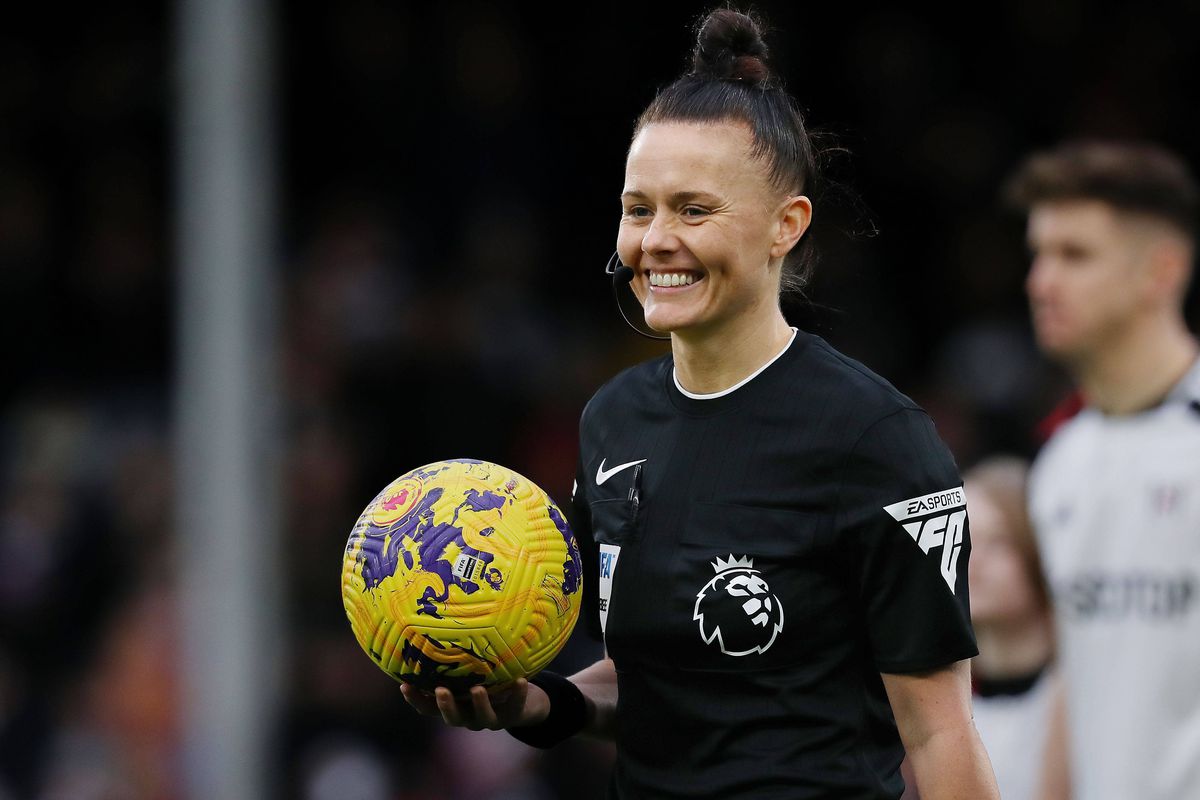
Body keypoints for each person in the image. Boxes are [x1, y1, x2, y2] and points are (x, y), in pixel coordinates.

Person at [402, 9, 999, 798]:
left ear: (787, 226)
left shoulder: (875, 439)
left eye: (693, 209)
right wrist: (536, 703)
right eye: (638, 208)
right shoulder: (612, 420)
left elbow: (939, 732)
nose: (655, 240)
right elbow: (654, 682)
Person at [1006, 141, 1200, 800]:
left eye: (1075, 255)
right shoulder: (1063, 461)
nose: (1041, 282)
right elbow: (1079, 674)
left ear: (1162, 271)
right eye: (1039, 254)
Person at [964, 456, 1056, 800]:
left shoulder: (1080, 698)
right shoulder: (931, 704)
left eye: (997, 542)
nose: (972, 560)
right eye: (962, 541)